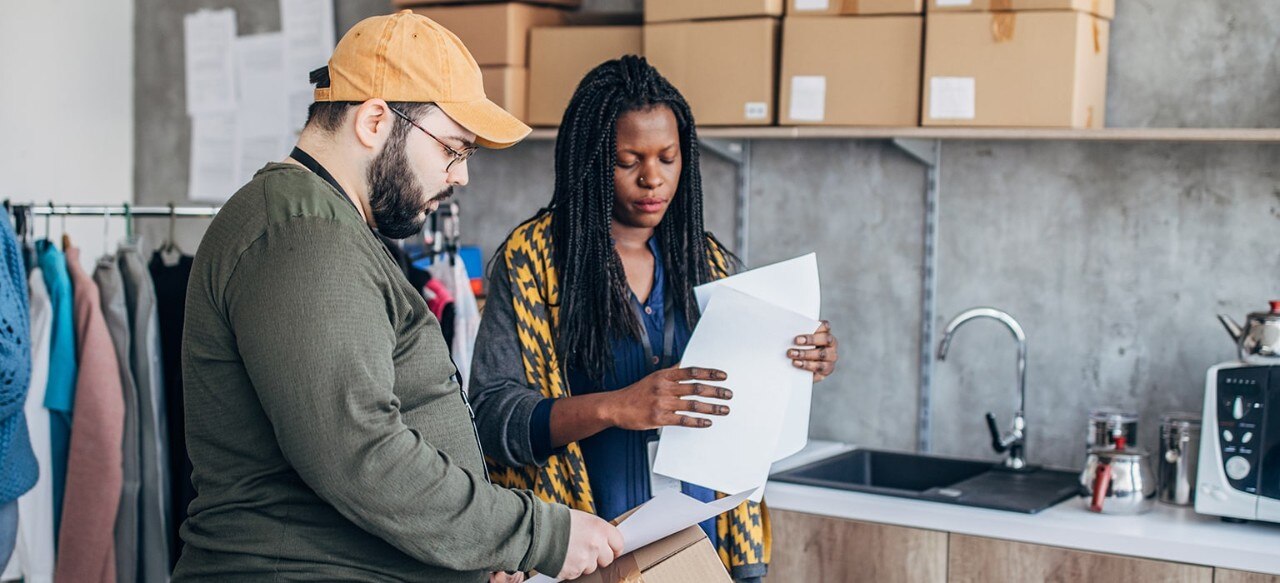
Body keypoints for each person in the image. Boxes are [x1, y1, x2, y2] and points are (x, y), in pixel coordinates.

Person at [174, 12, 620, 582]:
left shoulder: (328, 227)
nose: (460, 177)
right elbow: (359, 455)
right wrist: (538, 534)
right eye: (453, 149)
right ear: (375, 120)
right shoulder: (302, 235)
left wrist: (480, 552)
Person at [470, 56, 840, 582]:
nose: (653, 178)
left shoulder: (702, 261)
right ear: (594, 161)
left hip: (703, 548)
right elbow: (492, 416)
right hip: (588, 554)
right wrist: (617, 407)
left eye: (668, 157)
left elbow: (743, 395)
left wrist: (800, 356)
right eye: (629, 160)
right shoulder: (535, 262)